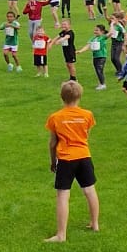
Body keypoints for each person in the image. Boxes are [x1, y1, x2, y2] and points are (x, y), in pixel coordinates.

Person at [45, 80, 100, 239]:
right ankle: (95, 224)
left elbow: (53, 143)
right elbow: (86, 135)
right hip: (84, 156)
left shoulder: (55, 117)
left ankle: (61, 235)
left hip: (66, 158)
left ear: (61, 97)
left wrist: (53, 161)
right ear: (80, 96)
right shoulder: (87, 115)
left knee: (63, 195)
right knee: (89, 190)